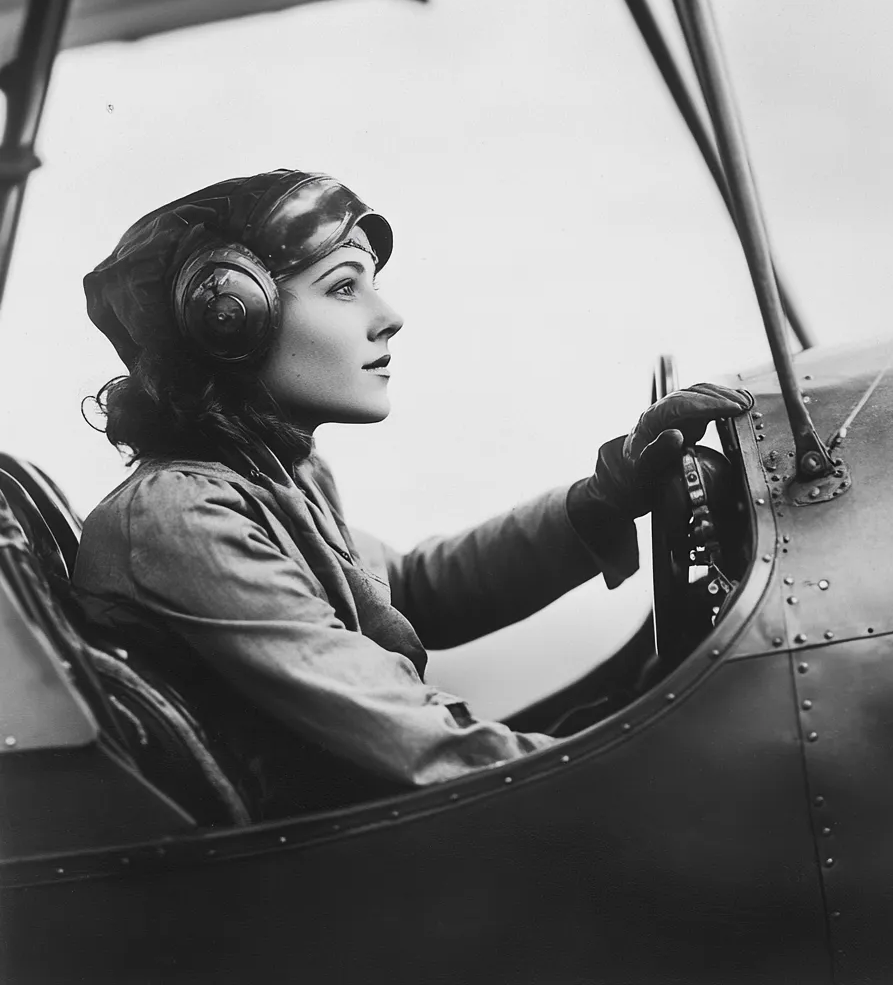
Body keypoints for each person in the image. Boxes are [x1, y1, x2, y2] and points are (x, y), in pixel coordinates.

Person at [75, 169, 752, 818]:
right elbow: (424, 745)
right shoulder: (179, 517)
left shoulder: (270, 477)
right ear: (232, 320)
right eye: (344, 288)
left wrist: (604, 498)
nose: (388, 316)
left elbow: (409, 587)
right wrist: (670, 773)